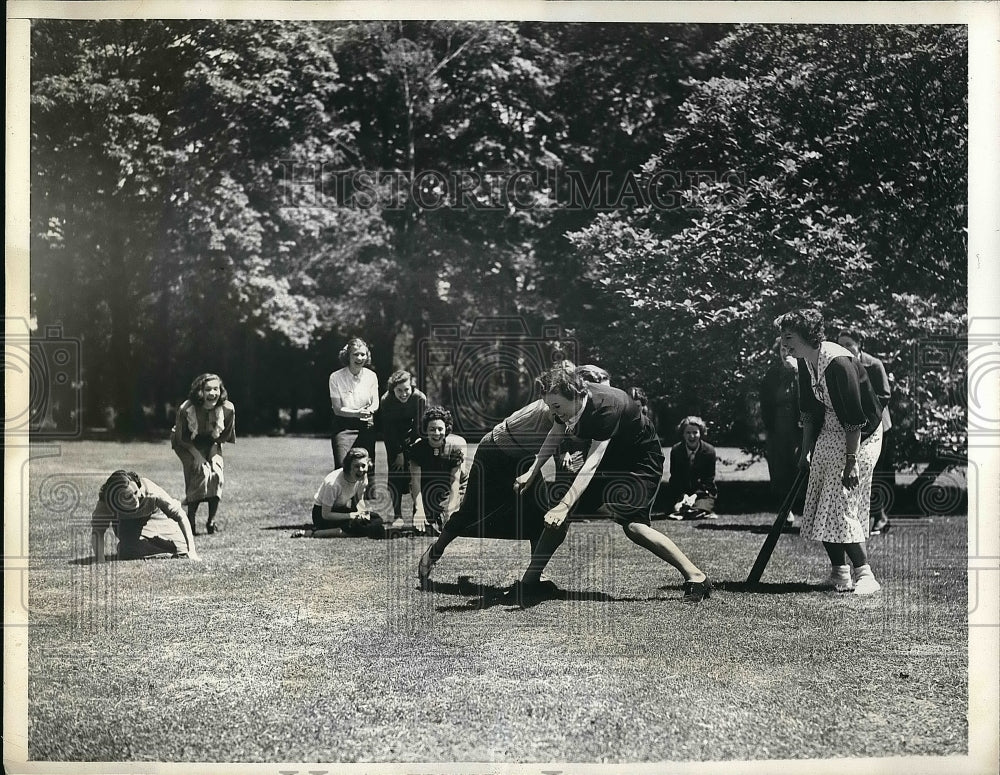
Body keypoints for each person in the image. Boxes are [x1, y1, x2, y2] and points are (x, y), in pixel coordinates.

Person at [513, 368, 712, 603]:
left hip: (641, 460)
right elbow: (556, 432)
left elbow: (592, 463)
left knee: (634, 527)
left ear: (576, 396)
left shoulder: (606, 408)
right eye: (550, 406)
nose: (553, 412)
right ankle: (530, 583)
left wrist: (564, 505)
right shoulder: (565, 404)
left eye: (556, 406)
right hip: (614, 456)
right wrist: (533, 470)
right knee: (560, 513)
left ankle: (697, 577)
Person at [776, 309, 885, 595]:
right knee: (818, 497)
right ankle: (840, 574)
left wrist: (851, 462)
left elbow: (855, 417)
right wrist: (805, 451)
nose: (784, 342)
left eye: (789, 336)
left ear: (807, 336)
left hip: (861, 434)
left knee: (839, 500)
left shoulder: (838, 362)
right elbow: (809, 411)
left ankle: (865, 575)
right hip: (830, 428)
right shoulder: (804, 361)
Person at [417, 394, 556, 587]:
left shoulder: (574, 407)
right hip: (494, 451)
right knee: (470, 510)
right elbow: (558, 433)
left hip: (523, 456)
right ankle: (434, 552)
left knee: (539, 511)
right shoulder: (556, 402)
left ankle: (535, 576)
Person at [836, 328, 893, 534]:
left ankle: (881, 516)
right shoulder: (838, 366)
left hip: (877, 425)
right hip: (855, 426)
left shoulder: (874, 365)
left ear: (859, 346)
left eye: (848, 344)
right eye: (840, 344)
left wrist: (861, 407)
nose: (844, 349)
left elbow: (885, 395)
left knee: (875, 473)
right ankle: (860, 517)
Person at [170, 373, 236, 536]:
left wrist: (213, 452)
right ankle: (190, 522)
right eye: (208, 389)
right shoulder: (186, 409)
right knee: (200, 472)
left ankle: (211, 522)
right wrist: (198, 456)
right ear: (200, 391)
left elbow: (224, 435)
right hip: (186, 444)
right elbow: (182, 438)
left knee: (216, 473)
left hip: (211, 442)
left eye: (216, 389)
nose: (213, 393)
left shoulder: (228, 409)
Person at [91, 470, 200, 562]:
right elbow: (98, 532)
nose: (135, 499)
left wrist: (192, 552)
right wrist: (100, 561)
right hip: (127, 524)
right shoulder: (106, 503)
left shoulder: (151, 492)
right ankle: (128, 545)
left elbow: (180, 515)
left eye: (135, 492)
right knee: (130, 551)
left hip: (155, 516)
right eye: (128, 497)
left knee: (181, 549)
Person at [294, 448, 384, 538]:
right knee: (363, 526)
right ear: (348, 466)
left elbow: (359, 499)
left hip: (341, 511)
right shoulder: (333, 483)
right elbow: (326, 515)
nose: (361, 469)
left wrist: (363, 513)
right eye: (356, 466)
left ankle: (351, 529)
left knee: (376, 519)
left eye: (363, 465)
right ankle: (314, 533)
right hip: (322, 515)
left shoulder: (362, 477)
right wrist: (350, 516)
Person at [407, 406, 469, 535]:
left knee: (451, 522)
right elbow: (415, 482)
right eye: (432, 429)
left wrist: (451, 509)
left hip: (452, 486)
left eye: (440, 429)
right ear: (426, 430)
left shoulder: (455, 448)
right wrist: (419, 509)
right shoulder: (417, 449)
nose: (436, 433)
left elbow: (455, 481)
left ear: (446, 429)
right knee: (423, 527)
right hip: (429, 487)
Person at [759, 339, 802, 523]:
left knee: (799, 469)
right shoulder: (772, 374)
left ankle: (808, 512)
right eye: (783, 349)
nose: (786, 353)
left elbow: (809, 398)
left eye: (789, 349)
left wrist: (798, 373)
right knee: (779, 471)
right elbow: (765, 402)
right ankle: (786, 511)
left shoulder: (805, 372)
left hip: (799, 431)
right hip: (777, 430)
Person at [378, 370, 427, 524]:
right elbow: (388, 430)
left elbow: (420, 426)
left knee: (416, 473)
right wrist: (398, 453)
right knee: (396, 474)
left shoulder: (420, 398)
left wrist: (412, 451)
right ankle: (397, 515)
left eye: (406, 389)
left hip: (414, 435)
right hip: (394, 438)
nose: (404, 394)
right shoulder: (386, 400)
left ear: (412, 387)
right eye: (399, 390)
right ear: (393, 389)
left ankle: (417, 513)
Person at [329, 337, 379, 473]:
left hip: (366, 427)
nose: (360, 358)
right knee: (342, 468)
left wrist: (369, 411)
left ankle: (367, 495)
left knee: (366, 469)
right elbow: (337, 409)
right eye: (355, 354)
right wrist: (356, 413)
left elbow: (375, 403)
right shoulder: (335, 377)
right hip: (343, 427)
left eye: (363, 354)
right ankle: (343, 495)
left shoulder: (371, 376)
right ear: (348, 356)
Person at [665, 416, 718, 520]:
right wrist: (683, 495)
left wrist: (694, 496)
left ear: (701, 433)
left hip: (703, 493)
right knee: (678, 506)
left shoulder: (709, 451)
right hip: (681, 492)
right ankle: (685, 510)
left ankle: (695, 511)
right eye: (688, 433)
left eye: (695, 432)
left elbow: (708, 480)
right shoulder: (676, 450)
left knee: (699, 507)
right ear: (683, 434)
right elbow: (675, 477)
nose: (692, 436)